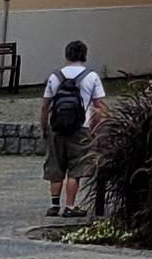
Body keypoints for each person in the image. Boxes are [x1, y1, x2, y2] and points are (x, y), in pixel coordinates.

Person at [41, 41, 104, 218]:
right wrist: (96, 128)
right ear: (84, 55)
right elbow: (99, 106)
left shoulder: (55, 76)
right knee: (75, 169)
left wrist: (44, 127)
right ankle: (70, 206)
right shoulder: (91, 77)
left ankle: (54, 205)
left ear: (66, 55)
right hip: (81, 128)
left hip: (57, 127)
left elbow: (45, 106)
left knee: (55, 166)